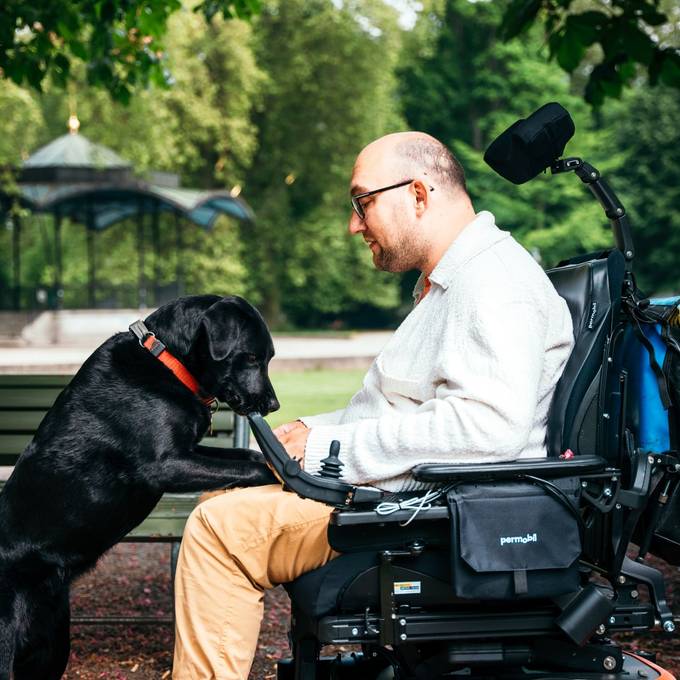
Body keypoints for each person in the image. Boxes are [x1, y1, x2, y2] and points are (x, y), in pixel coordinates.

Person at [172, 132, 574, 679]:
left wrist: (326, 448)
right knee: (229, 490)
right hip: (403, 499)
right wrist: (308, 433)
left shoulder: (495, 284)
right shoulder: (451, 286)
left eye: (362, 203)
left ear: (417, 194)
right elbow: (403, 410)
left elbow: (489, 427)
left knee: (218, 529)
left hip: (432, 519)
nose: (354, 225)